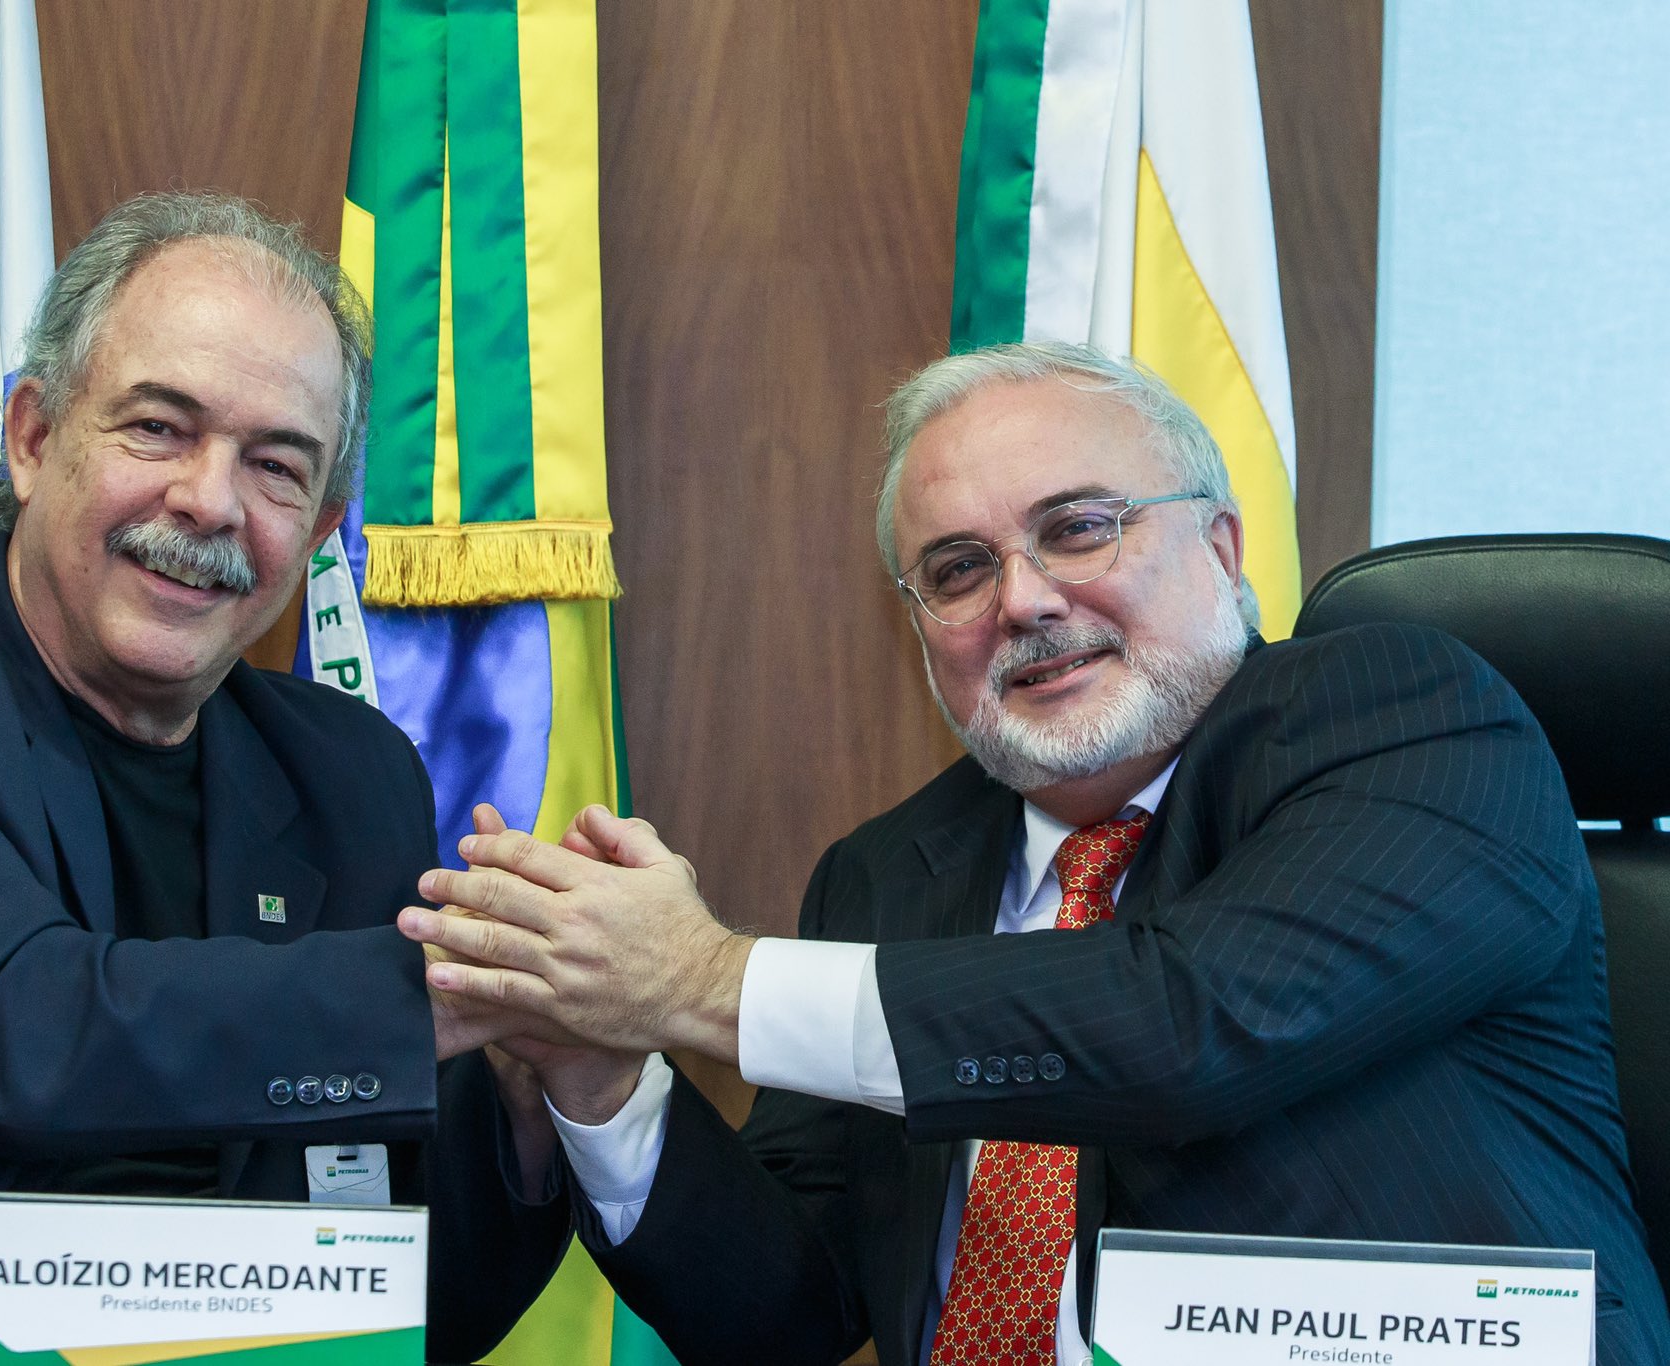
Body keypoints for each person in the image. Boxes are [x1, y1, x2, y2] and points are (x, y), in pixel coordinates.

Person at [400, 342, 1670, 1365]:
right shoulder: (886, 872)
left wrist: (698, 980)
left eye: (1077, 527)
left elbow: (1187, 1023)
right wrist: (603, 1066)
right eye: (955, 569)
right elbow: (779, 1319)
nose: (1022, 599)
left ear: (1219, 551)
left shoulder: (1406, 719)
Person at [0, 191, 565, 1356]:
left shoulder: (347, 775)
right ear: (32, 437)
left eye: (276, 466)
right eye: (157, 429)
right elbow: (20, 1030)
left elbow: (418, 1303)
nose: (209, 501)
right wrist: (473, 980)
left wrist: (535, 1094)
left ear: (322, 528)